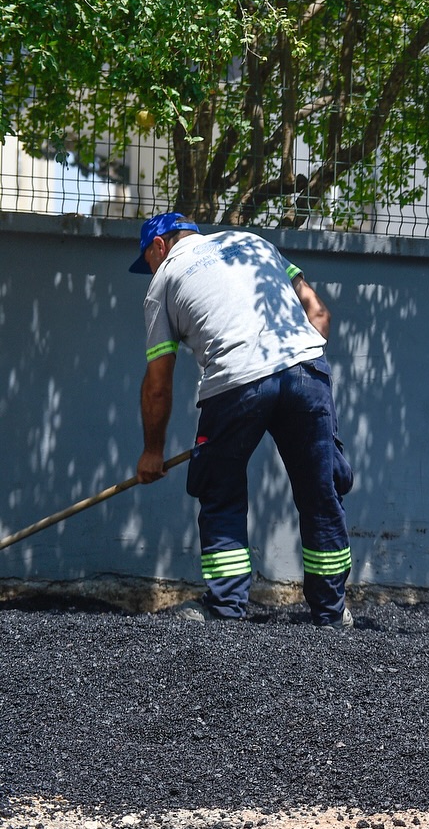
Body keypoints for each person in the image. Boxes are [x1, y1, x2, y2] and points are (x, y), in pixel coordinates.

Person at [130, 212, 355, 629]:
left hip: (234, 383)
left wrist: (152, 452)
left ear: (160, 245)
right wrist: (299, 361)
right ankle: (331, 614)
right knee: (320, 492)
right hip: (306, 367)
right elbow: (318, 313)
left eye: (146, 258)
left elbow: (158, 383)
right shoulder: (253, 242)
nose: (148, 268)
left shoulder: (163, 281)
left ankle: (225, 611)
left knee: (222, 492)